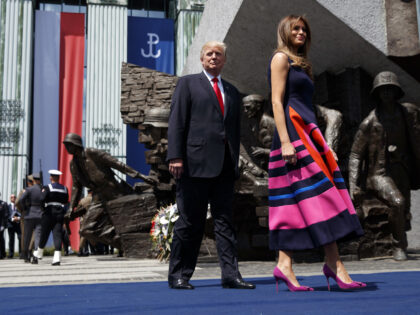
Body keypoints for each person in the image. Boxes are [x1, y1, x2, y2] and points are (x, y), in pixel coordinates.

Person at [268, 15, 365, 291]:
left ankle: (285, 265)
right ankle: (334, 264)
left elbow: (308, 108)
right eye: (295, 28)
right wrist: (286, 141)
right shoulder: (280, 59)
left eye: (304, 29)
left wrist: (325, 146)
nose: (301, 32)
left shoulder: (302, 64)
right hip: (292, 136)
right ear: (285, 31)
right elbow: (276, 102)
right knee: (320, 198)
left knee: (299, 202)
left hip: (308, 135)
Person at [166, 40, 255, 290]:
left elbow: (235, 133)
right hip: (193, 166)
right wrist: (175, 156)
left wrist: (237, 163)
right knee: (190, 222)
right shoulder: (188, 83)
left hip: (224, 168)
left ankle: (230, 275)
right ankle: (179, 275)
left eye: (218, 54)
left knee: (225, 222)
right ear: (202, 59)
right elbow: (177, 122)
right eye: (209, 54)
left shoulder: (232, 91)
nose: (214, 57)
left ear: (224, 60)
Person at [349, 71, 420, 261]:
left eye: (390, 89)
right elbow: (356, 154)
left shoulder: (408, 113)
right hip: (379, 175)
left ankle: (395, 239)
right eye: (383, 90)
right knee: (398, 202)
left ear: (397, 92)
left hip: (402, 169)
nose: (387, 93)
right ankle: (399, 247)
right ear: (377, 94)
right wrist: (353, 185)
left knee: (403, 212)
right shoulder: (370, 122)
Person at [63, 133, 154, 249]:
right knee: (86, 230)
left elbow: (117, 164)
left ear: (75, 145)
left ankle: (130, 242)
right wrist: (71, 208)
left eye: (68, 145)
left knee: (130, 223)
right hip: (98, 197)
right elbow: (76, 187)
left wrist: (139, 175)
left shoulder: (92, 153)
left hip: (115, 193)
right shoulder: (73, 164)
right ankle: (121, 242)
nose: (66, 148)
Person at [35, 170, 69, 266]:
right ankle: (57, 258)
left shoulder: (47, 187)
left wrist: (43, 208)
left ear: (51, 178)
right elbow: (66, 200)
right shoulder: (65, 188)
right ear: (58, 178)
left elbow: (41, 199)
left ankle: (38, 254)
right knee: (57, 235)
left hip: (49, 212)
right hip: (60, 212)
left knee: (44, 234)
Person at [19, 173, 43, 263]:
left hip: (29, 214)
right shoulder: (42, 189)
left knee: (27, 236)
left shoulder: (29, 189)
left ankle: (26, 256)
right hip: (40, 214)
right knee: (37, 236)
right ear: (39, 180)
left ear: (33, 180)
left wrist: (25, 207)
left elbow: (21, 200)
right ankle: (35, 256)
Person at [15, 175, 35, 259]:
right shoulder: (37, 190)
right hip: (34, 213)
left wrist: (21, 210)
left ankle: (24, 252)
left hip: (25, 213)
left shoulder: (23, 191)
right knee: (34, 233)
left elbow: (17, 202)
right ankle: (30, 250)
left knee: (24, 233)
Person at [7, 194, 21, 258]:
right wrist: (12, 219)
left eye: (14, 197)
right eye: (12, 197)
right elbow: (6, 215)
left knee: (20, 238)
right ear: (10, 198)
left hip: (18, 225)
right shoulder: (7, 206)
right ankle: (11, 254)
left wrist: (18, 218)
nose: (13, 198)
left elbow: (22, 214)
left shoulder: (19, 206)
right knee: (11, 239)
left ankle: (21, 253)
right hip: (11, 225)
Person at [0, 194, 7, 259]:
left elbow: (5, 215)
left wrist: (2, 225)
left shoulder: (3, 204)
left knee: (1, 239)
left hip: (1, 224)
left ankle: (2, 254)